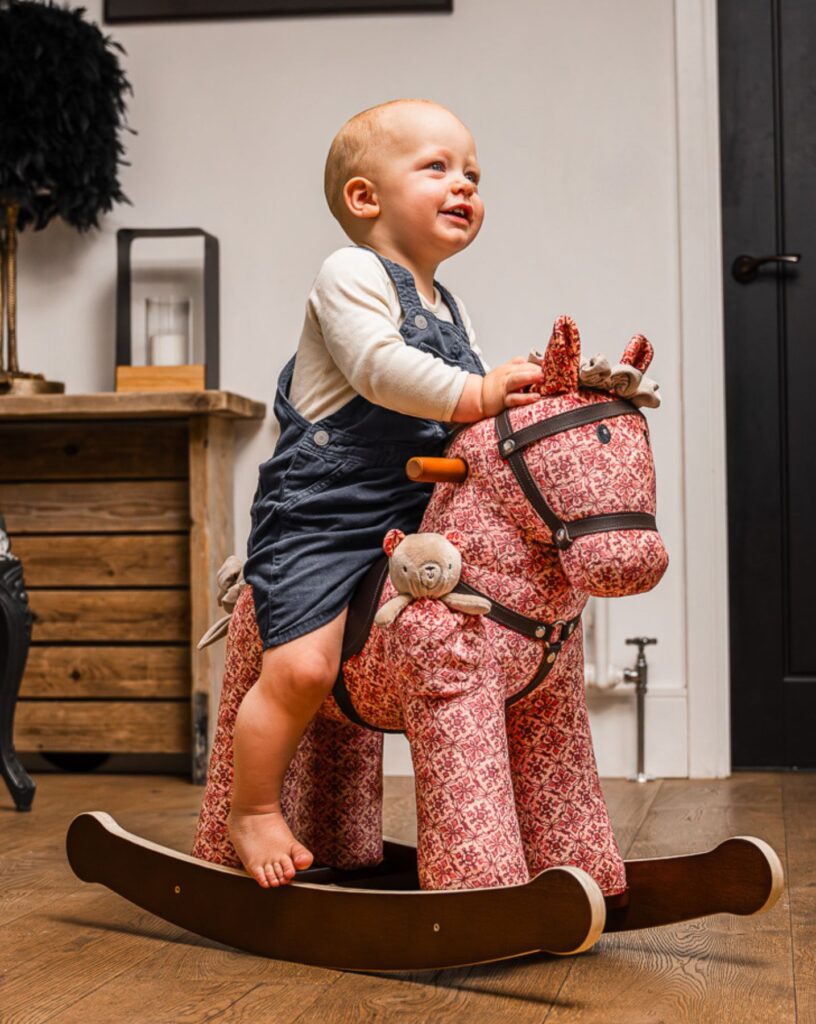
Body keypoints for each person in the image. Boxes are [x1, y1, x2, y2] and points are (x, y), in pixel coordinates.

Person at [229, 98, 544, 888]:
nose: (464, 184)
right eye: (437, 167)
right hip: (322, 515)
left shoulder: (450, 306)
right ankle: (253, 809)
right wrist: (477, 394)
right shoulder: (350, 275)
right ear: (365, 198)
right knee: (302, 668)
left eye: (473, 172)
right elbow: (379, 369)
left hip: (415, 515)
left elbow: (456, 421)